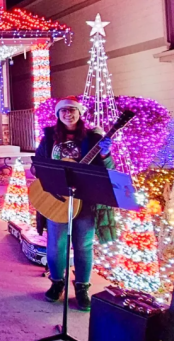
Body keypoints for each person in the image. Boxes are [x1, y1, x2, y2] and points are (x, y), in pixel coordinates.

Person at [34, 97, 114, 311]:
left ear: (79, 114)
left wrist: (105, 153)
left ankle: (81, 288)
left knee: (83, 244)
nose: (68, 114)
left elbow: (107, 167)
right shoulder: (49, 137)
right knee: (56, 243)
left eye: (72, 110)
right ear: (58, 115)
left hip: (85, 198)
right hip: (57, 198)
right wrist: (40, 171)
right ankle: (57, 282)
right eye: (63, 111)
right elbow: (38, 163)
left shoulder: (93, 137)